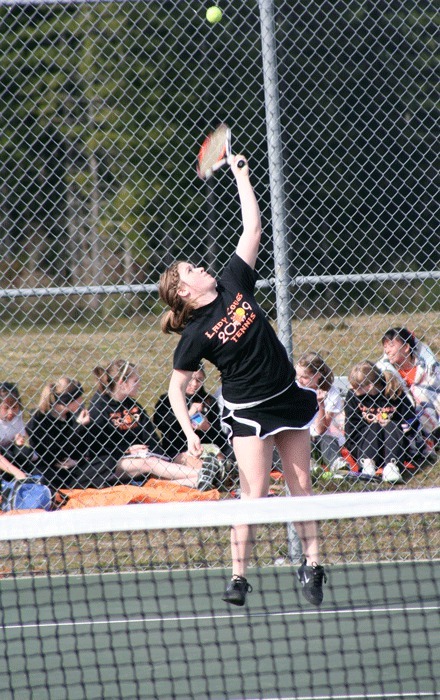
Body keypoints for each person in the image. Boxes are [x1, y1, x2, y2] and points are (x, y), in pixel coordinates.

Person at [158, 155, 326, 607]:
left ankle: (311, 565)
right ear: (185, 292)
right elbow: (176, 389)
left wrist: (241, 175)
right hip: (249, 412)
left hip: (287, 397)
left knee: (302, 488)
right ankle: (237, 578)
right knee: (254, 492)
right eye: (190, 269)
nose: (199, 267)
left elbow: (252, 229)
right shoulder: (193, 334)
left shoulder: (234, 281)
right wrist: (190, 433)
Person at [84, 359, 221, 490]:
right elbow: (97, 447)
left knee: (159, 462)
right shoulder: (99, 407)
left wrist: (156, 454)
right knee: (150, 463)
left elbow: (151, 437)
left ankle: (201, 479)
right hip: (113, 463)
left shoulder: (134, 406)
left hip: (143, 458)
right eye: (135, 380)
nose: (139, 384)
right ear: (122, 383)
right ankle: (207, 475)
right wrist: (127, 449)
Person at [344, 361, 422, 483]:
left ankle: (391, 466)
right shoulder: (353, 396)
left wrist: (393, 424)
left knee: (390, 425)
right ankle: (368, 465)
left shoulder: (393, 392)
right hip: (364, 446)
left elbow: (410, 419)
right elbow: (352, 430)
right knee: (374, 426)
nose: (353, 390)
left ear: (369, 386)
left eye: (357, 387)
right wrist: (376, 424)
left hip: (393, 445)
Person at [376, 327, 440, 444]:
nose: (387, 351)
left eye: (391, 345)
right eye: (385, 347)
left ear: (406, 347)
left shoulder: (426, 367)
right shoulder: (386, 373)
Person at [26, 377, 91, 490]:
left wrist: (76, 461)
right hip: (48, 469)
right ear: (68, 400)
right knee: (46, 477)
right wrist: (78, 427)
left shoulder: (71, 416)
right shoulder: (40, 419)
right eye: (79, 398)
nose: (81, 401)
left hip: (72, 467)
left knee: (100, 466)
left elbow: (80, 448)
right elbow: (51, 452)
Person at [154, 365, 230, 459]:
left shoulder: (208, 401)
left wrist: (207, 428)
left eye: (199, 380)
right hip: (177, 448)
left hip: (206, 447)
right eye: (190, 379)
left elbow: (219, 435)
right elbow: (160, 423)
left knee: (221, 457)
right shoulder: (167, 399)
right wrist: (189, 414)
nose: (194, 384)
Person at [294, 352, 345, 468]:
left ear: (319, 375)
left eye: (305, 377)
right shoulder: (296, 390)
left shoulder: (331, 392)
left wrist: (320, 403)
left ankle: (337, 465)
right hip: (303, 438)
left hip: (323, 440)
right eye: (298, 376)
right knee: (302, 440)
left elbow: (320, 429)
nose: (299, 380)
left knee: (327, 439)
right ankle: (311, 466)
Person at [0, 382, 38, 472]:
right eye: (6, 408)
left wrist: (19, 439)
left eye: (14, 407)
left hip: (10, 450)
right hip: (3, 456)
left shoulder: (18, 416)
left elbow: (19, 434)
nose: (11, 412)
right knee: (8, 455)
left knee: (25, 452)